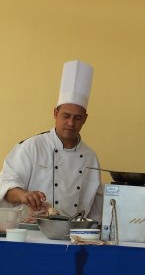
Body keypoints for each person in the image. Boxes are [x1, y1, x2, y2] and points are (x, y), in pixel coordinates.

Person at [0, 60, 103, 221]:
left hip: (73, 235)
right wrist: (24, 195)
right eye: (66, 116)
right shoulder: (31, 147)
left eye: (77, 118)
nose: (71, 123)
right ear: (55, 113)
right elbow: (5, 186)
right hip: (31, 230)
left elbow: (96, 208)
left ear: (85, 119)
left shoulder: (90, 157)